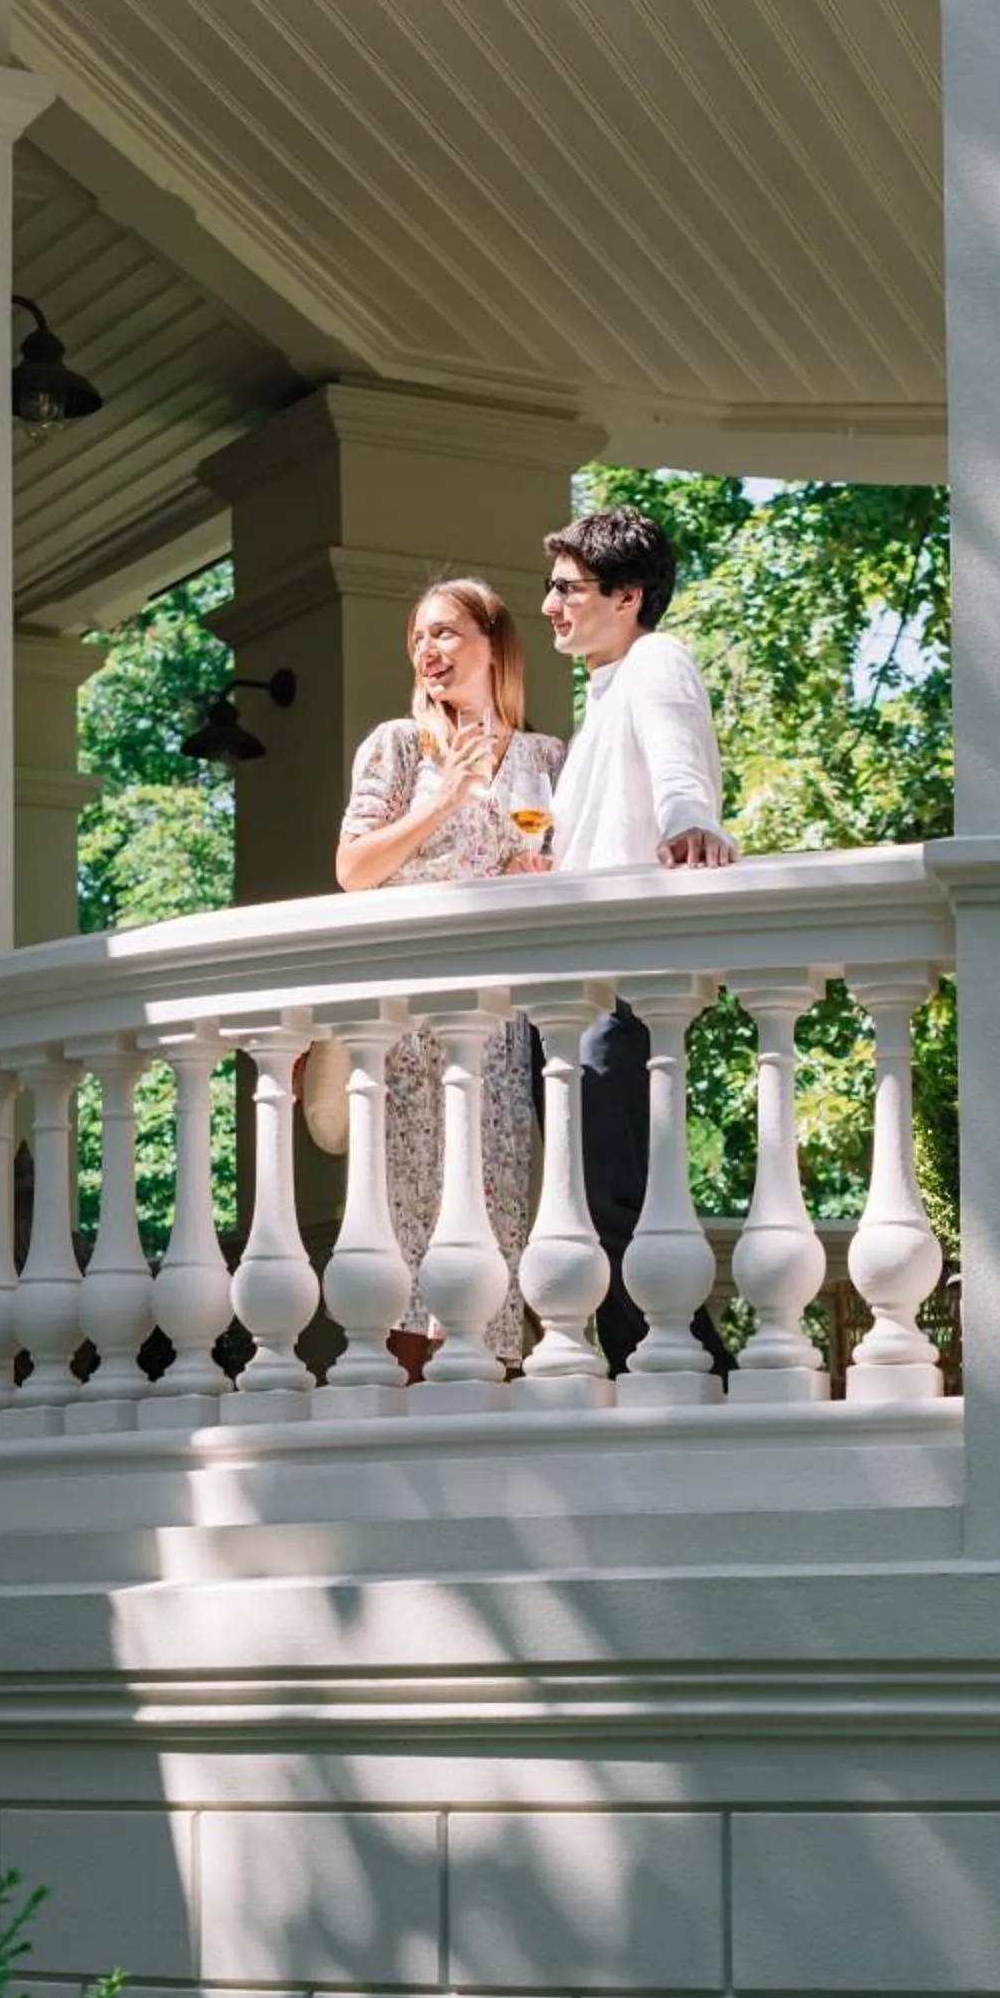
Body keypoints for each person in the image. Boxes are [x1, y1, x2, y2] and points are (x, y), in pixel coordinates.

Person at [327, 578, 563, 1372]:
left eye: (447, 634)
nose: (428, 651)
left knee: (490, 1213)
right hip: (406, 1020)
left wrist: (542, 876)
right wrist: (443, 800)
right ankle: (401, 1410)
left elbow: (557, 871)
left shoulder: (543, 758)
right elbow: (354, 869)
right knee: (406, 1218)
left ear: (495, 643)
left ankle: (482, 1408)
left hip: (498, 1023)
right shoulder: (397, 745)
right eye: (419, 637)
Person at [541, 505, 737, 1373]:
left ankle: (692, 1373)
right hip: (584, 977)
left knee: (613, 1195)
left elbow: (679, 760)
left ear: (626, 596)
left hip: (621, 981)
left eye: (567, 588)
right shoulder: (604, 689)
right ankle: (656, 1365)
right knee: (601, 1194)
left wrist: (691, 822)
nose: (550, 603)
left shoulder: (656, 660)